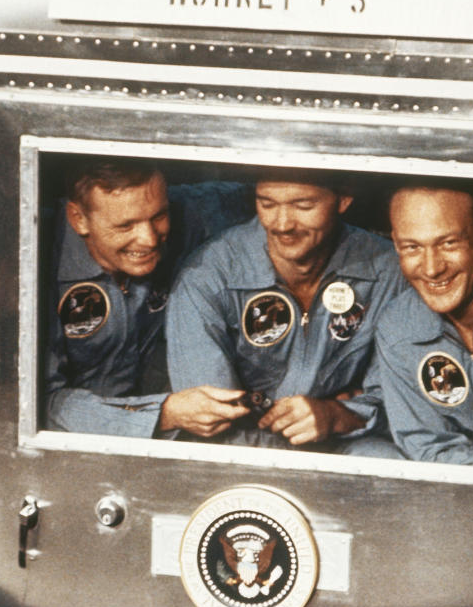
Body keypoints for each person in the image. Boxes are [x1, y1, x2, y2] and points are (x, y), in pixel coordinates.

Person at [166, 175, 403, 450]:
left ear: (344, 199)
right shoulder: (207, 276)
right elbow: (214, 416)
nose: (282, 225)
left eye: (303, 206)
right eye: (267, 204)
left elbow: (404, 404)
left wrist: (336, 414)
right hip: (243, 448)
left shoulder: (387, 271)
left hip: (344, 441)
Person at [46, 158, 251, 439]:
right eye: (125, 226)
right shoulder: (32, 261)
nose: (150, 239)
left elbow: (262, 198)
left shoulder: (191, 213)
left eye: (158, 217)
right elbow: (38, 404)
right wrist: (163, 413)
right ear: (78, 219)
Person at [375, 183, 473, 462]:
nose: (432, 268)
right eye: (412, 248)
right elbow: (428, 445)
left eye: (448, 243)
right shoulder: (398, 327)